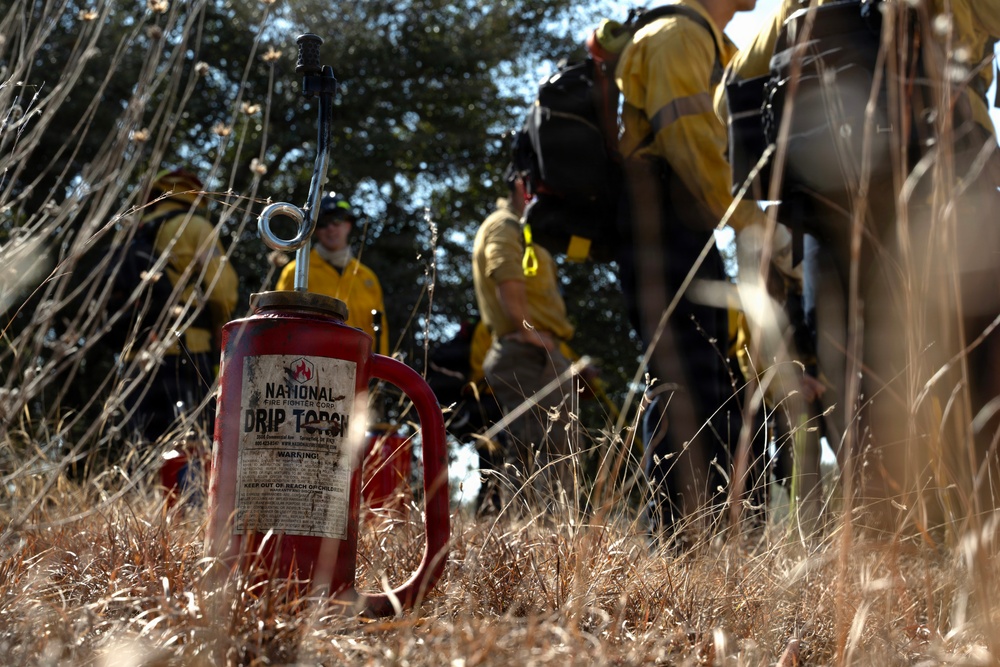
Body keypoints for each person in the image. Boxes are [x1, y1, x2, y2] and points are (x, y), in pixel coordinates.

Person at [721, 0, 1000, 533]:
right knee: (977, 378)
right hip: (952, 191)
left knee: (861, 390)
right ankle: (982, 546)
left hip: (831, 212)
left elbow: (727, 95)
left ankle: (884, 561)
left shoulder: (798, 6)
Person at [614, 0, 779, 543]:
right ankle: (677, 545)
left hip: (682, 226)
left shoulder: (708, 42)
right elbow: (691, 145)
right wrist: (754, 222)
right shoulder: (678, 37)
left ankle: (709, 540)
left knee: (708, 379)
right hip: (661, 220)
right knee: (685, 379)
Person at [472, 162, 577, 510]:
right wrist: (531, 334)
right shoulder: (505, 225)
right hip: (527, 354)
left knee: (547, 452)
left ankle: (540, 535)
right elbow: (505, 276)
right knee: (542, 453)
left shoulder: (527, 228)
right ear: (521, 183)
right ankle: (537, 535)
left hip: (537, 354)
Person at [123, 168, 239, 445]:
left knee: (140, 445)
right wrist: (220, 328)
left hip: (134, 357)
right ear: (196, 196)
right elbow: (222, 290)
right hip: (187, 350)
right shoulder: (195, 227)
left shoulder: (130, 232)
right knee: (191, 445)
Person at [276, 192, 389, 356]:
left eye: (337, 219)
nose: (330, 227)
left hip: (360, 369)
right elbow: (279, 326)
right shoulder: (296, 272)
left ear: (348, 225)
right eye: (323, 222)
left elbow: (381, 335)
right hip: (310, 369)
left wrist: (380, 370)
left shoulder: (367, 278)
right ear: (314, 229)